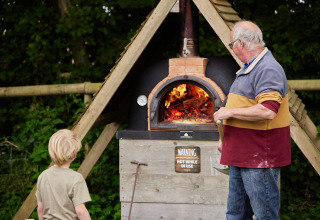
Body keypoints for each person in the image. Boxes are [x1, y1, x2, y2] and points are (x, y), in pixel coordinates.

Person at [214, 21, 291, 220]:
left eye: (231, 45)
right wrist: (225, 139)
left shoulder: (267, 69)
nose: (233, 50)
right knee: (235, 214)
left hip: (259, 157)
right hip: (241, 154)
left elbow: (267, 111)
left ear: (240, 43)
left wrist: (228, 112)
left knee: (264, 216)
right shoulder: (249, 68)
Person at [36, 129, 92, 220]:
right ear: (74, 154)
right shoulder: (76, 178)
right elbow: (80, 211)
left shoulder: (43, 176)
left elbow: (40, 209)